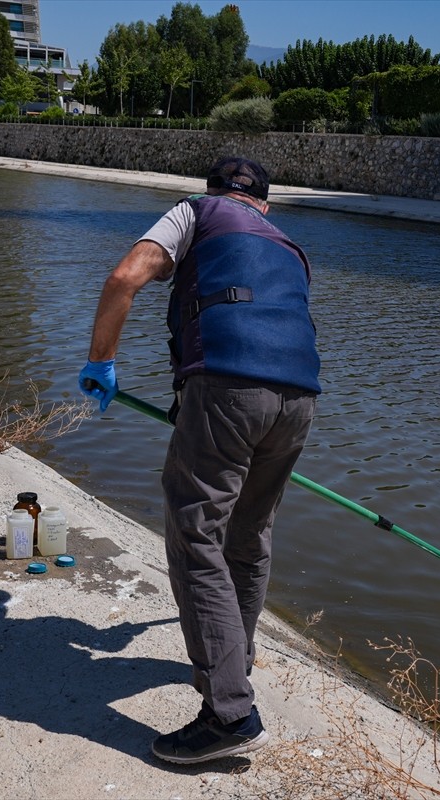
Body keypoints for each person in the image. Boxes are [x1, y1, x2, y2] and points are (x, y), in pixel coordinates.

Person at [78, 157, 320, 764]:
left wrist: (102, 360)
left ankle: (228, 711)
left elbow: (124, 278)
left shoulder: (195, 212)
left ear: (213, 191)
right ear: (264, 205)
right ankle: (235, 655)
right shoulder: (288, 245)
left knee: (194, 535)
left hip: (226, 390)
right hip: (299, 401)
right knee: (250, 533)